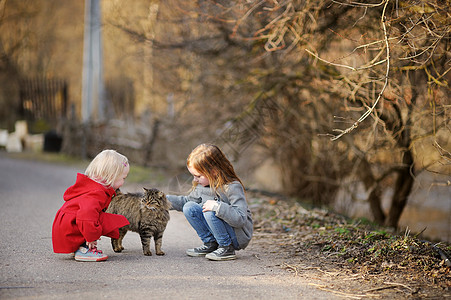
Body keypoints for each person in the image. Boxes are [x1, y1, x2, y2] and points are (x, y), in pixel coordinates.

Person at [167, 144, 253, 261]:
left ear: (214, 171)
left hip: (237, 236)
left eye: (198, 176)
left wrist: (218, 207)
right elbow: (186, 201)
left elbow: (240, 219)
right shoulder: (203, 186)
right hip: (220, 230)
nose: (194, 180)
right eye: (193, 176)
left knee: (210, 211)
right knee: (189, 207)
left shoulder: (232, 187)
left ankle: (226, 247)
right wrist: (162, 200)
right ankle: (211, 243)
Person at [52, 149, 130, 262]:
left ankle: (79, 246)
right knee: (104, 219)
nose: (123, 181)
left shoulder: (93, 187)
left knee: (104, 218)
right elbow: (86, 216)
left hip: (69, 223)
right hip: (71, 226)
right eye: (123, 178)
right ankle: (84, 250)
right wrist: (91, 237)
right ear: (112, 176)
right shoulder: (96, 193)